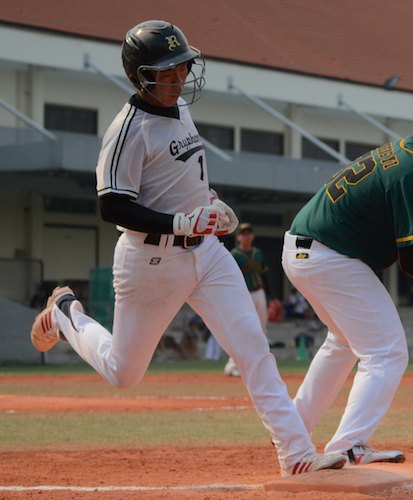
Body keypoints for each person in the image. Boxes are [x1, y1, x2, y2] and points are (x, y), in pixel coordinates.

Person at [28, 20, 344, 476]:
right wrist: (178, 222)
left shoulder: (177, 108)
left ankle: (296, 455)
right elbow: (112, 206)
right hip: (151, 259)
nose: (179, 78)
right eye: (167, 70)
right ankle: (66, 313)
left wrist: (212, 203)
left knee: (253, 348)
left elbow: (181, 179)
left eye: (182, 67)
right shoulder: (127, 130)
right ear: (139, 76)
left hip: (209, 252)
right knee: (124, 373)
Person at [282, 91, 413, 465]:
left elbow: (411, 242)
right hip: (330, 256)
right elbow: (412, 263)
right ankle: (349, 445)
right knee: (386, 351)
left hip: (303, 250)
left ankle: (291, 432)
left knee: (343, 343)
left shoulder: (400, 152)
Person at [224, 222, 269, 377]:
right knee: (242, 328)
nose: (247, 236)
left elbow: (264, 275)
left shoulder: (258, 253)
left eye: (249, 233)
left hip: (259, 292)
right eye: (243, 233)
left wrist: (272, 297)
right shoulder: (234, 255)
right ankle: (232, 365)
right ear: (238, 237)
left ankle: (259, 364)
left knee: (261, 329)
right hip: (242, 294)